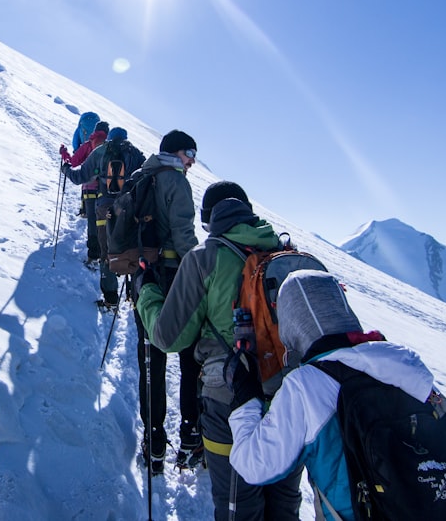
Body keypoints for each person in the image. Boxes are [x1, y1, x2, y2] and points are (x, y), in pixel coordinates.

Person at [227, 269, 446, 520]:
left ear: (292, 323)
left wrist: (244, 399)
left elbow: (255, 464)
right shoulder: (408, 366)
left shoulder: (306, 386)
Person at [136, 180, 302, 516]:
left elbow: (169, 337)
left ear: (209, 221)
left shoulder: (206, 258)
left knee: (237, 506)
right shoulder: (287, 254)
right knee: (284, 507)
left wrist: (147, 293)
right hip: (290, 401)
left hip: (228, 401)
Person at [128, 130, 202, 475]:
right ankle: (190, 434)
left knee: (151, 361)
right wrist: (201, 273)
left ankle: (153, 440)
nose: (192, 162)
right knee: (190, 356)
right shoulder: (175, 181)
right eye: (190, 153)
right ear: (176, 152)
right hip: (175, 275)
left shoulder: (142, 176)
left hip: (143, 275)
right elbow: (184, 233)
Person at [62, 126, 144, 307]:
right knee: (132, 247)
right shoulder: (135, 153)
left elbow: (80, 177)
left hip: (105, 207)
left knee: (106, 249)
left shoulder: (101, 151)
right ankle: (136, 297)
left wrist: (66, 169)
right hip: (129, 208)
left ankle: (111, 298)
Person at [61, 120, 108, 264]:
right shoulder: (108, 147)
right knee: (103, 222)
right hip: (104, 190)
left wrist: (64, 154)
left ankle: (92, 255)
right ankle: (105, 255)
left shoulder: (88, 145)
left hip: (88, 189)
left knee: (92, 222)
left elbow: (73, 162)